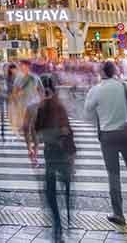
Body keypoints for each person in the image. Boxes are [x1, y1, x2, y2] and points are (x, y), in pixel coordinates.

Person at [84, 60, 127, 228]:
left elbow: (87, 111)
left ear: (101, 73)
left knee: (113, 175)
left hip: (108, 136)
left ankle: (119, 214)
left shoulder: (96, 90)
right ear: (114, 71)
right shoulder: (123, 86)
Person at [34, 74, 76, 243]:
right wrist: (73, 154)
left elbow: (38, 133)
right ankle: (67, 220)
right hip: (65, 153)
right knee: (66, 187)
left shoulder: (42, 107)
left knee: (50, 191)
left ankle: (58, 224)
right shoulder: (60, 105)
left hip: (51, 153)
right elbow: (68, 130)